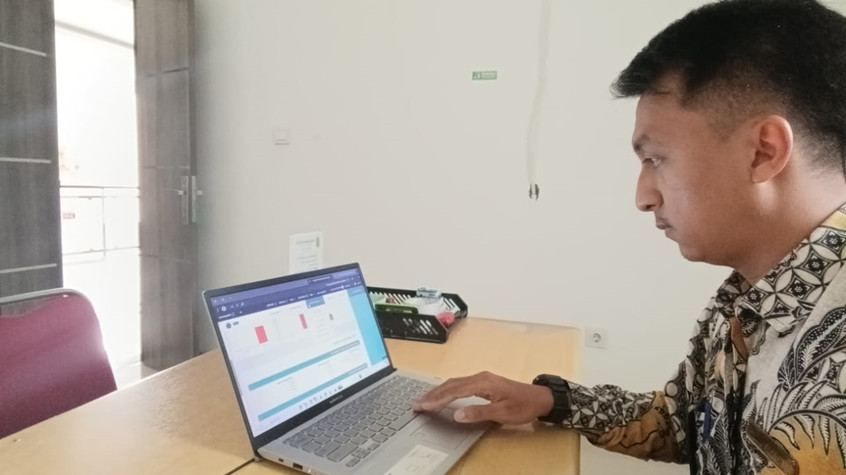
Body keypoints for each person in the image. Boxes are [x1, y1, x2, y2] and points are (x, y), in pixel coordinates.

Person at [413, 1, 846, 473]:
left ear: (763, 152)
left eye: (656, 159)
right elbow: (680, 422)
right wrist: (548, 400)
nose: (643, 197)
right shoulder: (749, 298)